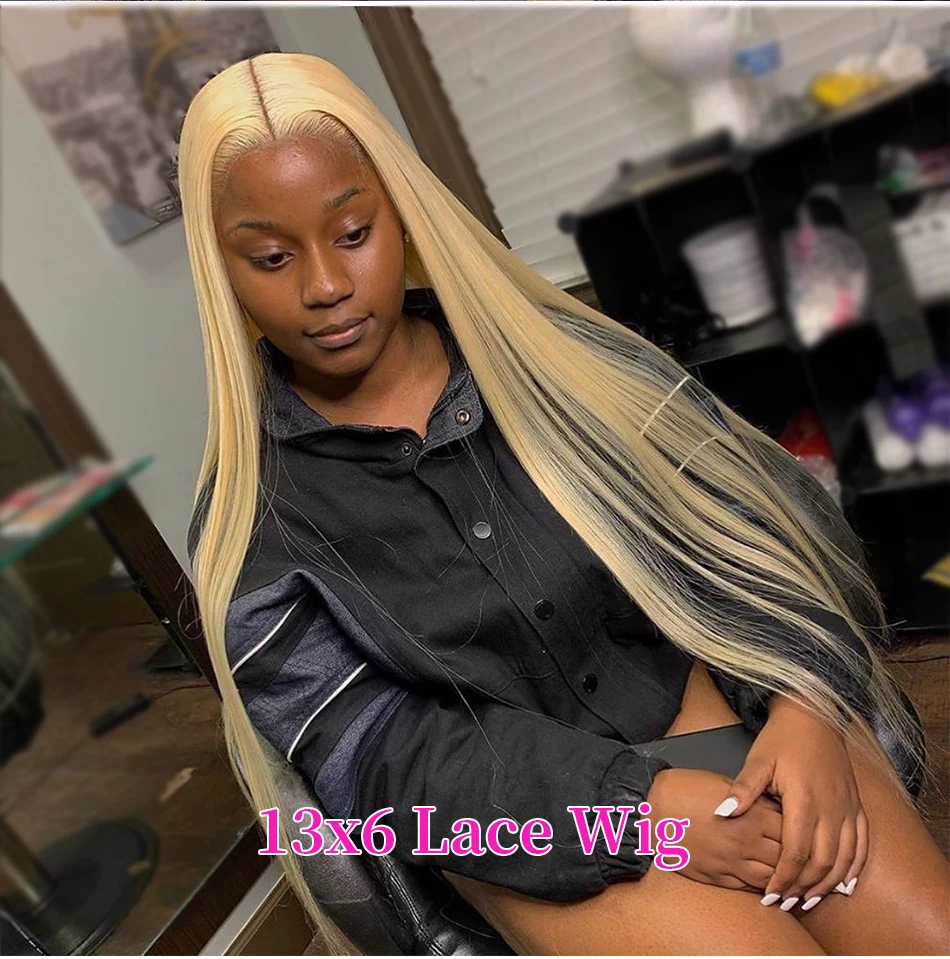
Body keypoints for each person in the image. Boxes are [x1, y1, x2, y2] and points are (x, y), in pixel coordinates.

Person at [179, 52, 948, 955]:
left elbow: (755, 527)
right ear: (221, 267)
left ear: (401, 211)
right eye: (272, 257)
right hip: (535, 824)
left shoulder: (558, 360)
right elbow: (385, 758)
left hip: (728, 704)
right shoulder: (252, 525)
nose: (324, 285)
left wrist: (804, 698)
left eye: (353, 232)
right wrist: (637, 809)